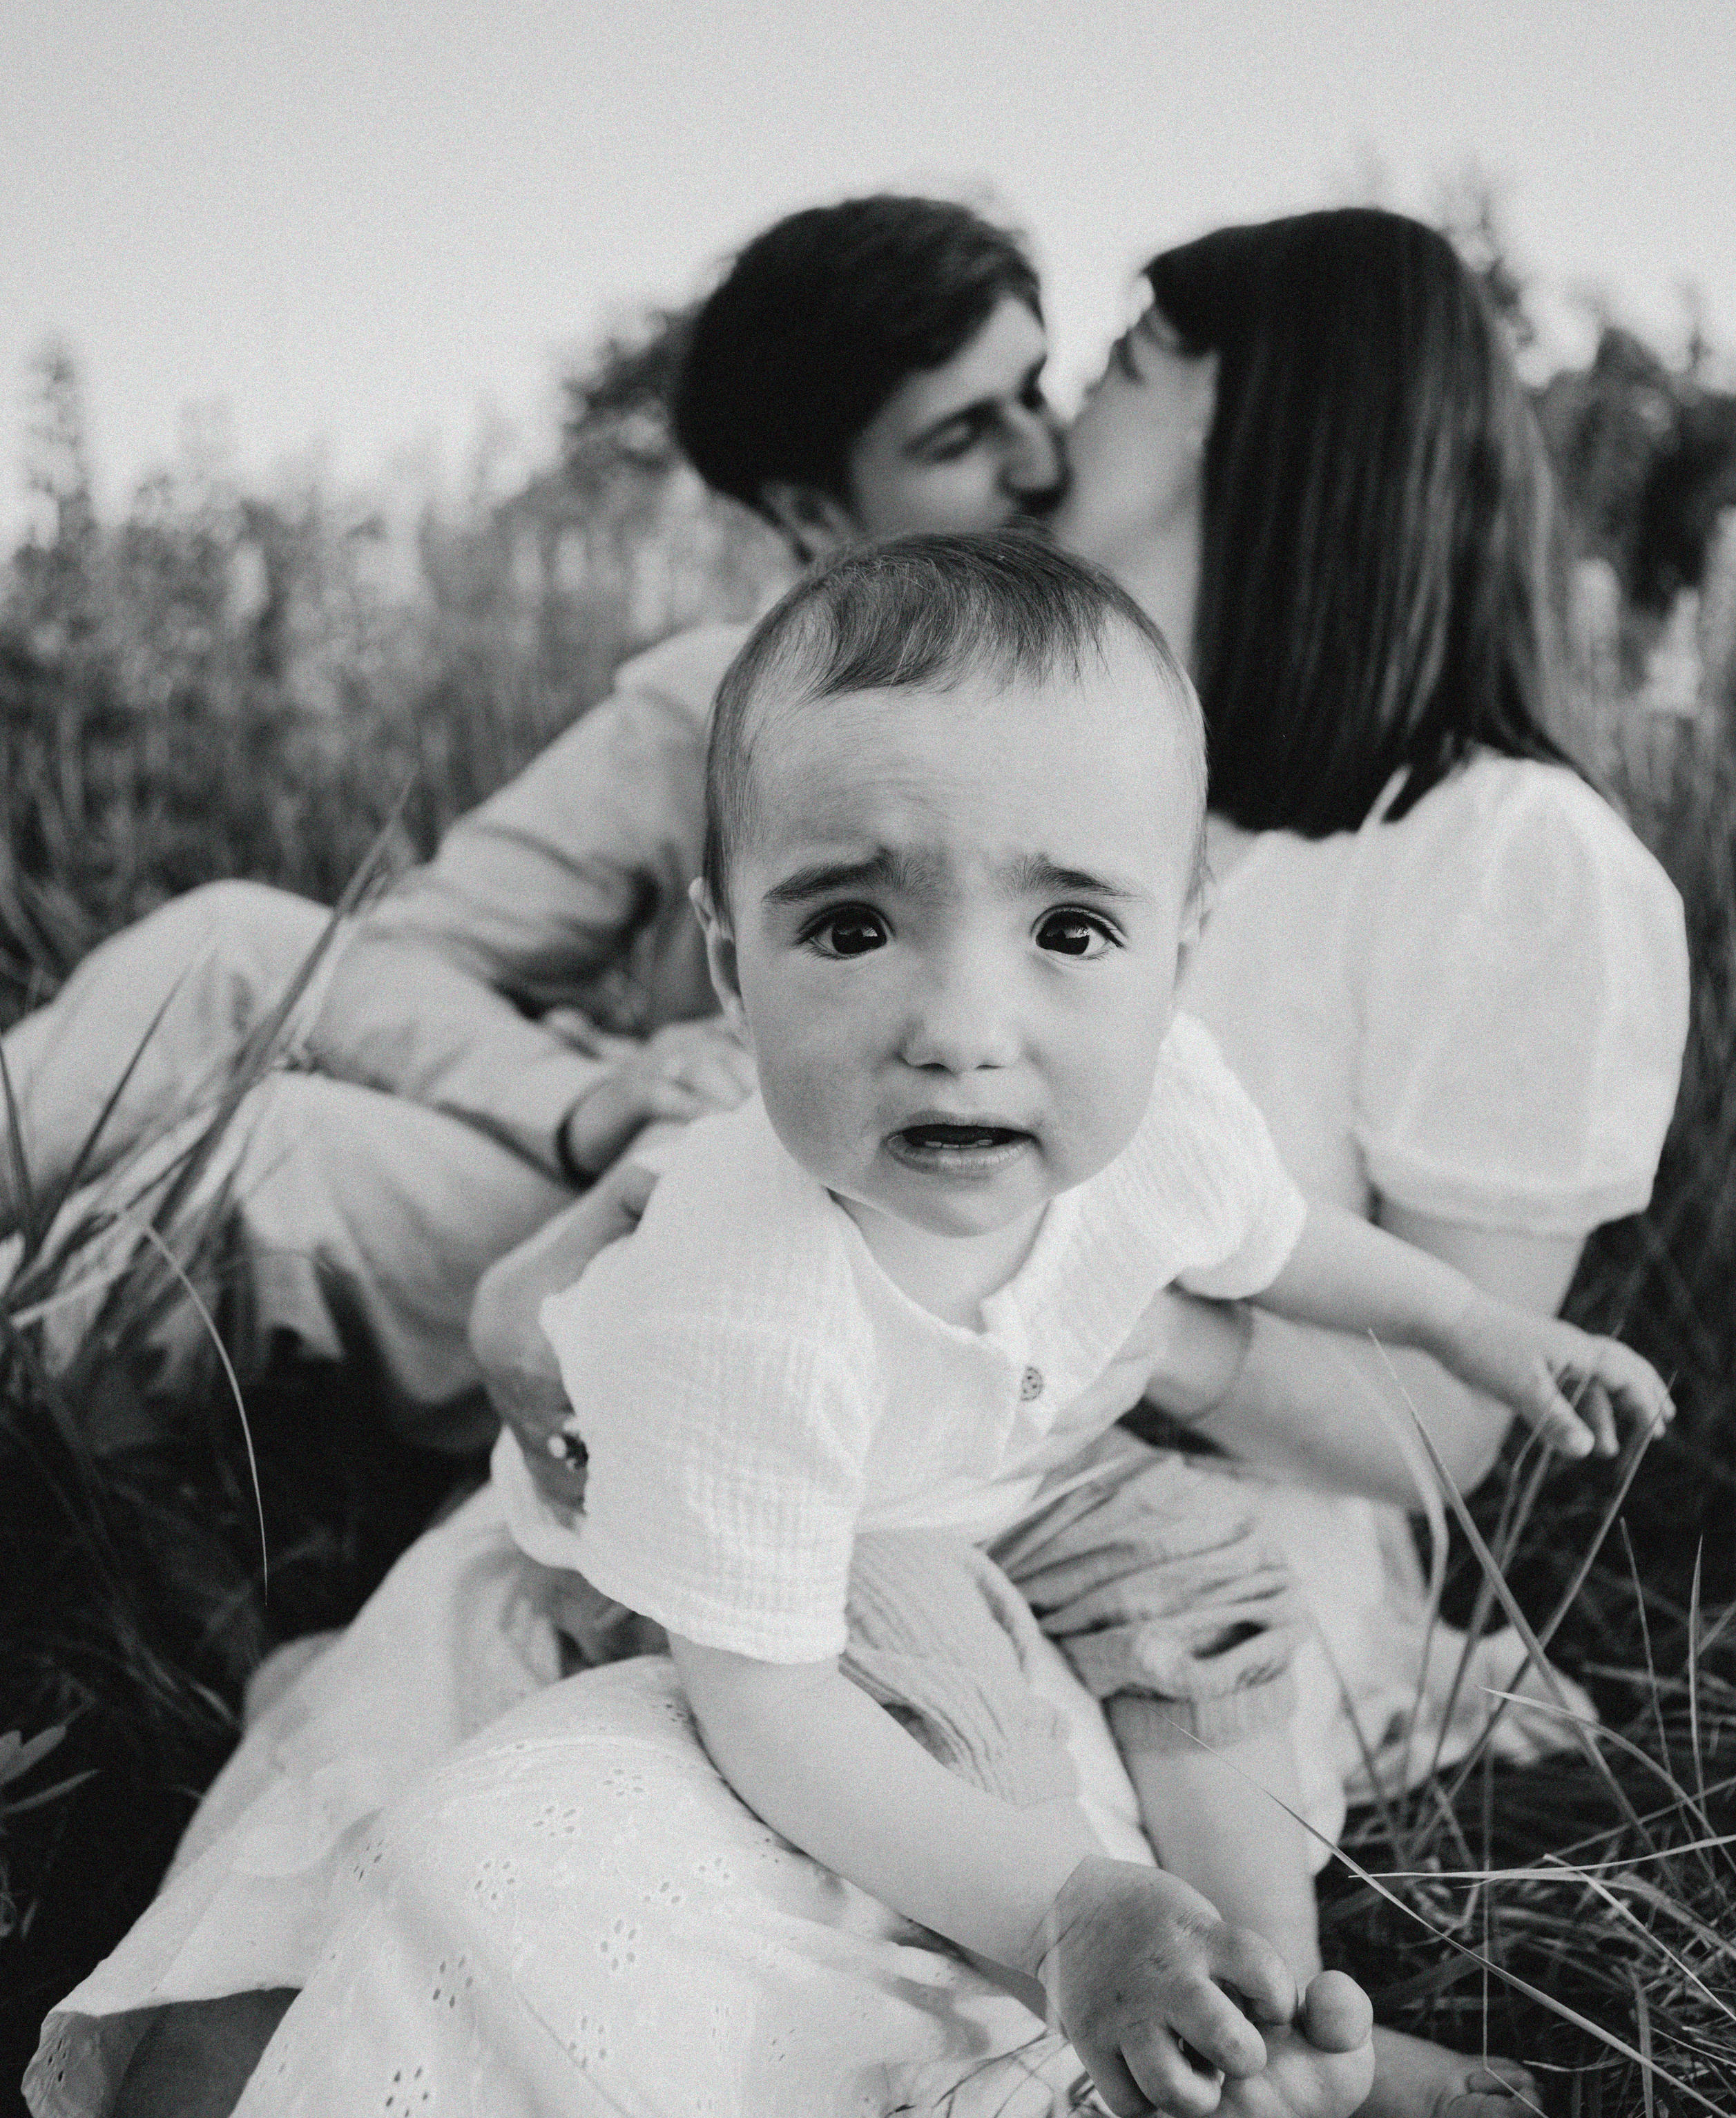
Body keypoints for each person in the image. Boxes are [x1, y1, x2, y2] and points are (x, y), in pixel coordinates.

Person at [2, 211, 1688, 2118]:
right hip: (816, 1427)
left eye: (1132, 355)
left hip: (1147, 1519)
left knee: (610, 1803)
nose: (1068, 403)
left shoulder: (1493, 854)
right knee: (401, 1706)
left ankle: (1258, 2044)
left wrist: (1083, 1307)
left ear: (1298, 427)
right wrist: (619, 1243)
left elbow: (1395, 1387)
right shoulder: (904, 730)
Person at [0, 195, 1065, 1444]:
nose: (1044, 461)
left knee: (273, 1159)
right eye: (966, 437)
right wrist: (575, 1096)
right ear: (814, 516)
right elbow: (403, 955)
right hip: (649, 1193)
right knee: (230, 940)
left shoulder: (1136, 709)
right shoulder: (719, 702)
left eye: (1040, 393)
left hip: (810, 1286)